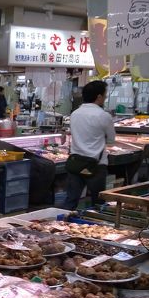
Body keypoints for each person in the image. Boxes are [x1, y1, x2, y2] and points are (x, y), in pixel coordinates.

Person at [64, 80, 115, 210]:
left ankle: (60, 225)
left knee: (71, 200)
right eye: (105, 95)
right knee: (97, 203)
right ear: (98, 97)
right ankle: (94, 228)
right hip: (96, 165)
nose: (105, 97)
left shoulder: (74, 114)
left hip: (76, 163)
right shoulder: (104, 116)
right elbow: (111, 140)